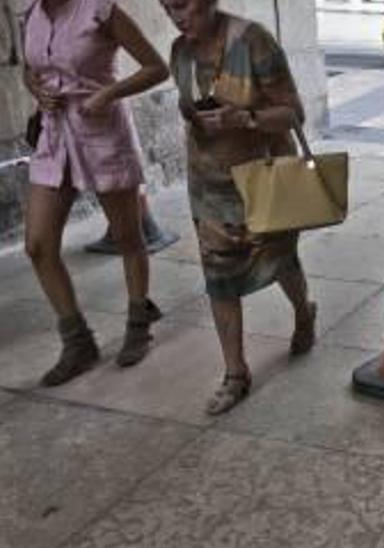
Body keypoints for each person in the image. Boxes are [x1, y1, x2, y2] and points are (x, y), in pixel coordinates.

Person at [159, 0, 318, 415]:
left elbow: (292, 113)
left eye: (183, 5)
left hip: (263, 180)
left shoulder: (253, 42)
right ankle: (235, 373)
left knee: (281, 259)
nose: (176, 16)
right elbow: (187, 105)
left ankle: (304, 311)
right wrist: (197, 118)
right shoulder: (180, 52)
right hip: (210, 186)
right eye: (166, 7)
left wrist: (243, 119)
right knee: (219, 277)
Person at [22, 0, 170, 386]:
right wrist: (37, 90)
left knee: (127, 237)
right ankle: (78, 342)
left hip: (102, 132)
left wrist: (108, 94)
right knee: (38, 245)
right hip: (55, 137)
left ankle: (139, 319)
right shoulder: (30, 13)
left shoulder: (100, 9)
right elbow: (30, 69)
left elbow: (157, 67)